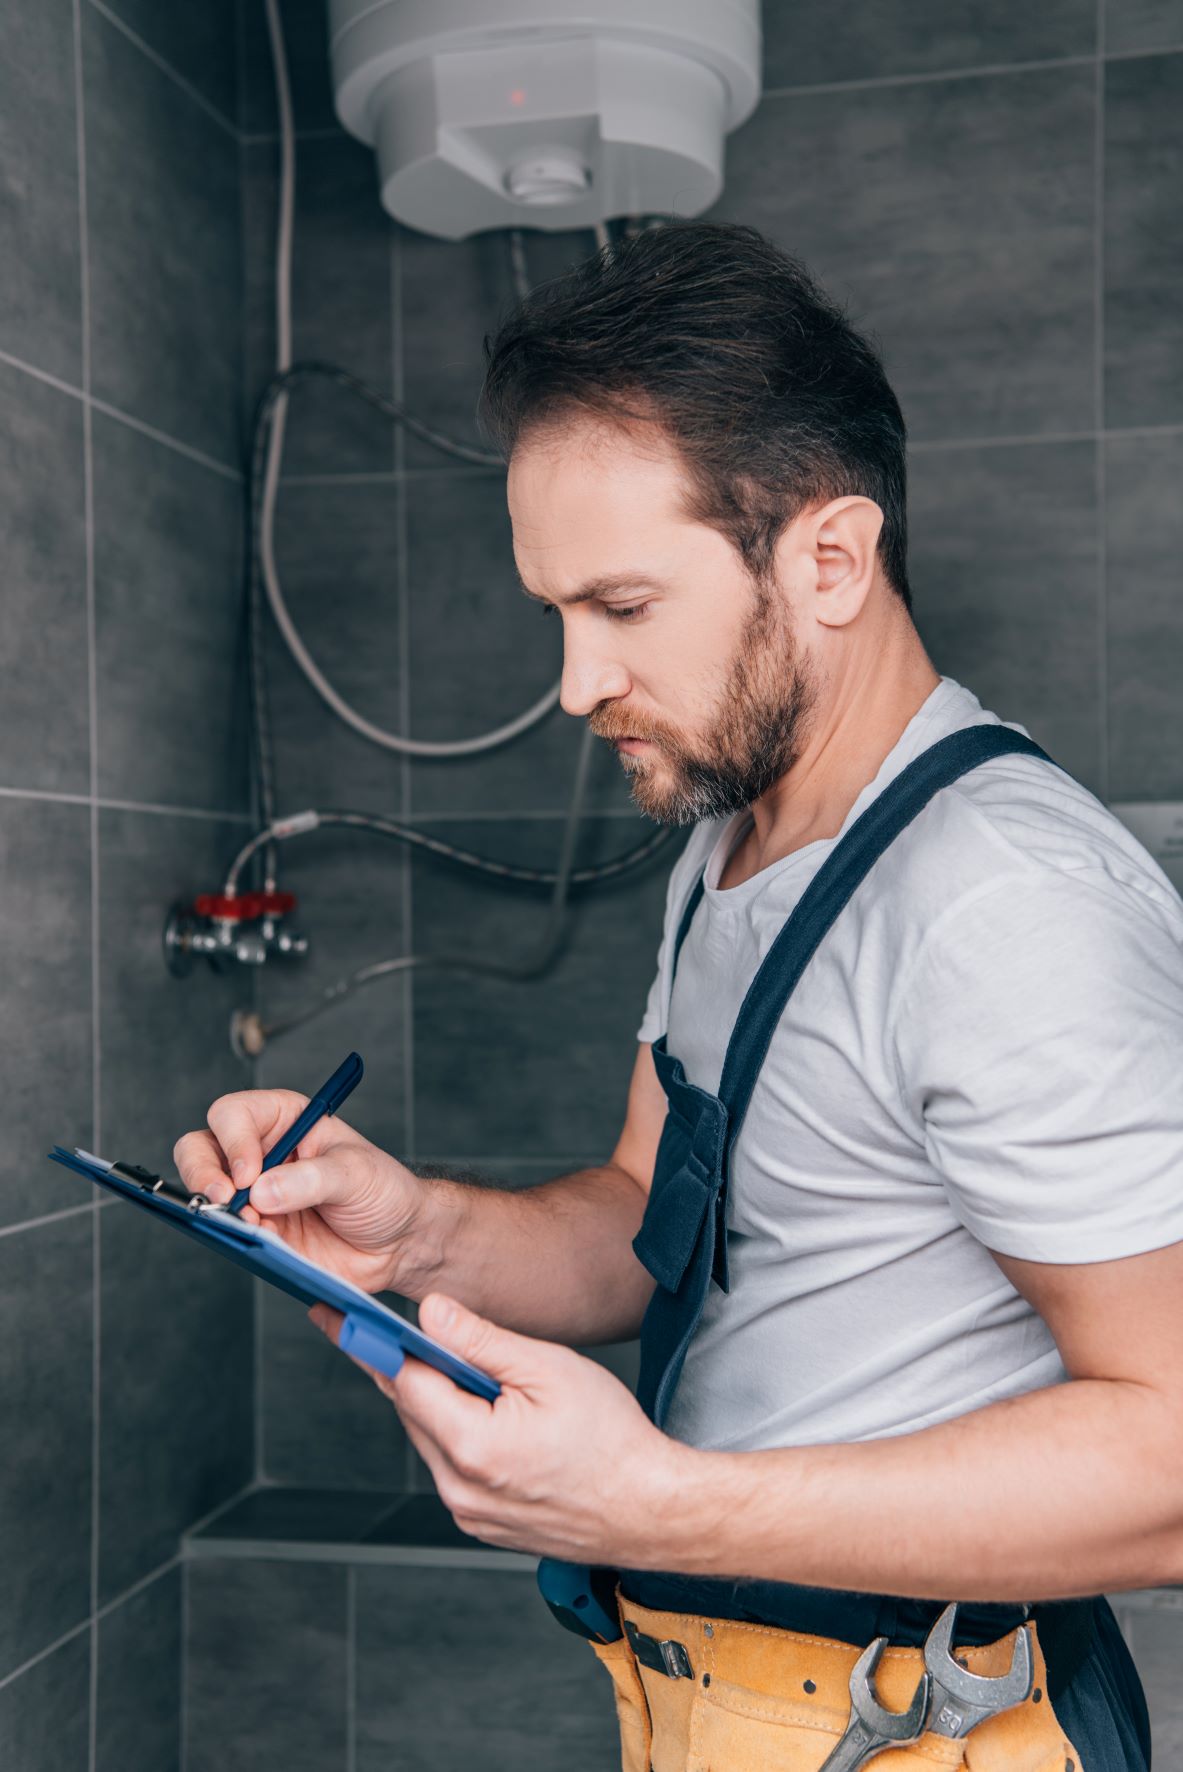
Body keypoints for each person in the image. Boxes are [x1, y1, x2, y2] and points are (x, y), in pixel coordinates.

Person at [176, 223, 1178, 1770]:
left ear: (829, 560)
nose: (575, 684)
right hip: (724, 1707)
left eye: (623, 609)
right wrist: (414, 1227)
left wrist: (657, 1501)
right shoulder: (733, 836)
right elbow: (654, 1217)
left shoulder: (1007, 904)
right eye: (555, 613)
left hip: (938, 1729)